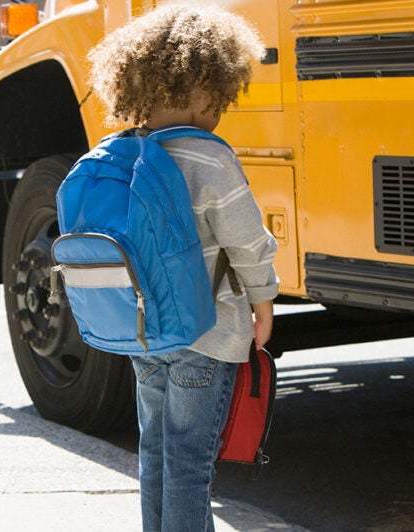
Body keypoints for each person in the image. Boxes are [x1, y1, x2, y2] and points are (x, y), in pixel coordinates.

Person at [86, 5, 280, 531]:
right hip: (206, 334)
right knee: (191, 465)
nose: (220, 109)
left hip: (144, 334)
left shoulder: (121, 154)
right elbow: (247, 243)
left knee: (156, 457)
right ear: (196, 89)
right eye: (217, 97)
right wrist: (264, 303)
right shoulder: (209, 158)